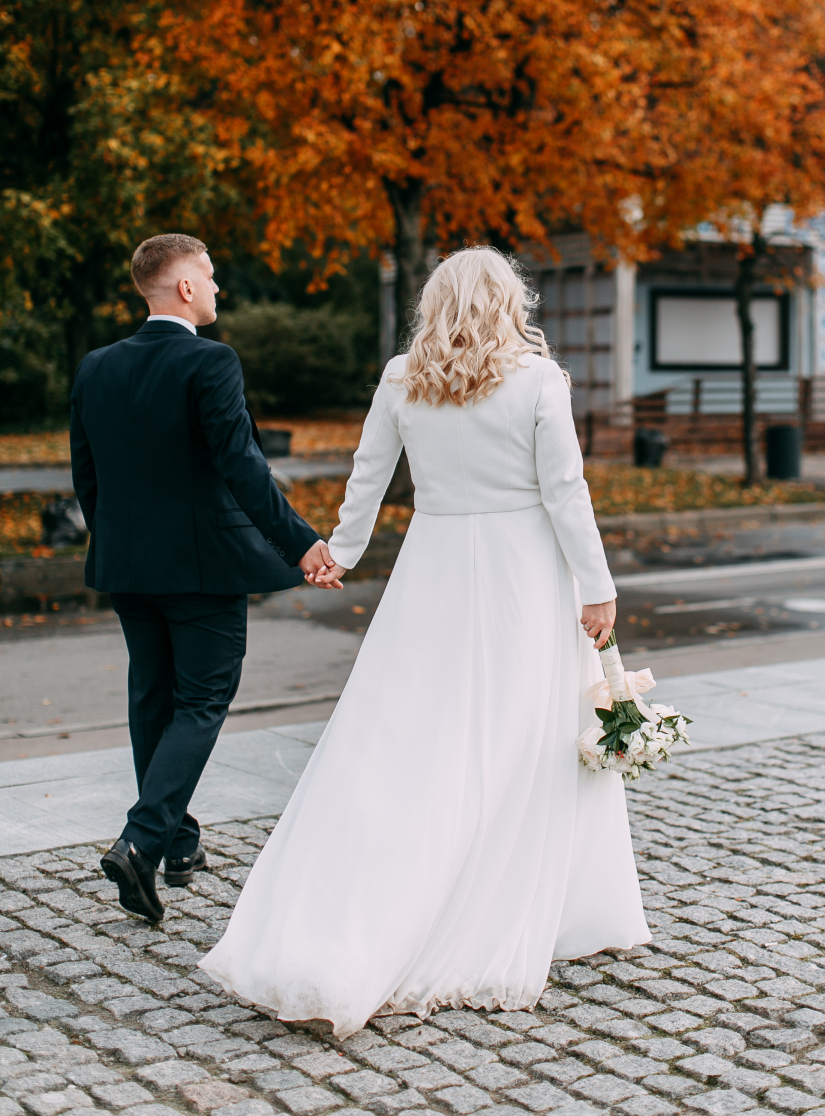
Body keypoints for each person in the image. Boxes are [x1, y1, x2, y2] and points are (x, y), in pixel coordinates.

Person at [199, 247, 648, 1032]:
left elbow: (368, 473)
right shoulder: (539, 381)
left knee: (409, 734)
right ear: (510, 302)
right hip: (525, 572)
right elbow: (565, 492)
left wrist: (340, 550)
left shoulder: (403, 375)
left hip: (432, 568)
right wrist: (598, 585)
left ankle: (365, 908)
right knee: (527, 738)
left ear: (434, 304)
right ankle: (554, 907)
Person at [70, 233, 336, 923]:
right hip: (201, 571)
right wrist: (302, 543)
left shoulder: (96, 367)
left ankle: (179, 842)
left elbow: (87, 475)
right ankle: (141, 840)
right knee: (202, 700)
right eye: (211, 277)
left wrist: (119, 544)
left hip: (127, 566)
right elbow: (242, 465)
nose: (218, 289)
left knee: (153, 700)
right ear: (184, 287)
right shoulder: (210, 362)